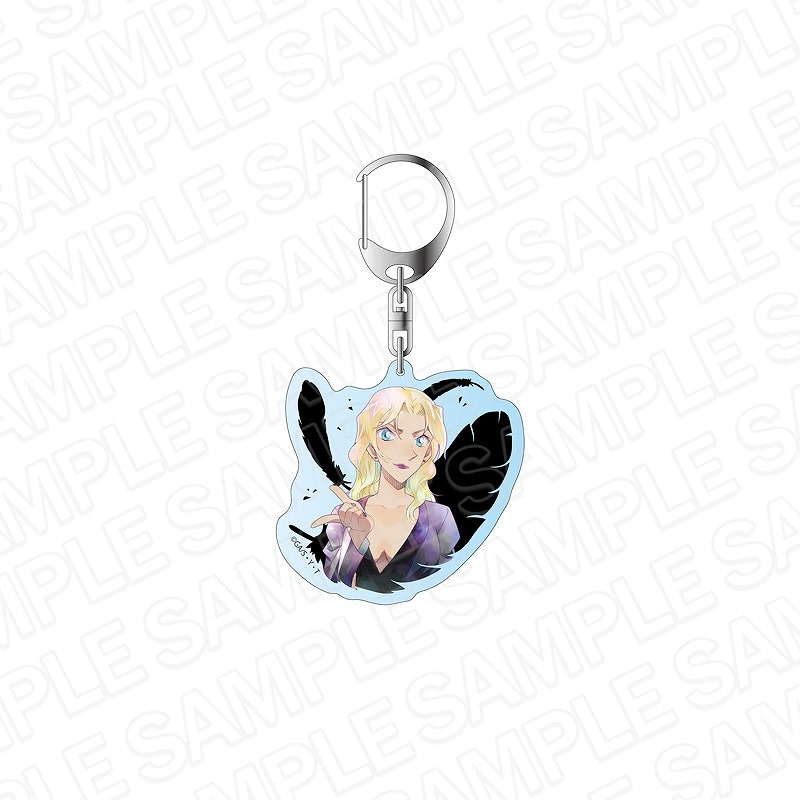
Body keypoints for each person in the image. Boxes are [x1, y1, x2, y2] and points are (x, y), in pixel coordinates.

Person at [311, 387, 459, 593]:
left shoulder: (439, 519)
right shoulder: (346, 515)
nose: (405, 452)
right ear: (371, 447)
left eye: (420, 440)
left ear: (427, 453)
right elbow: (332, 588)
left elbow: (450, 584)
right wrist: (356, 539)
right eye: (387, 434)